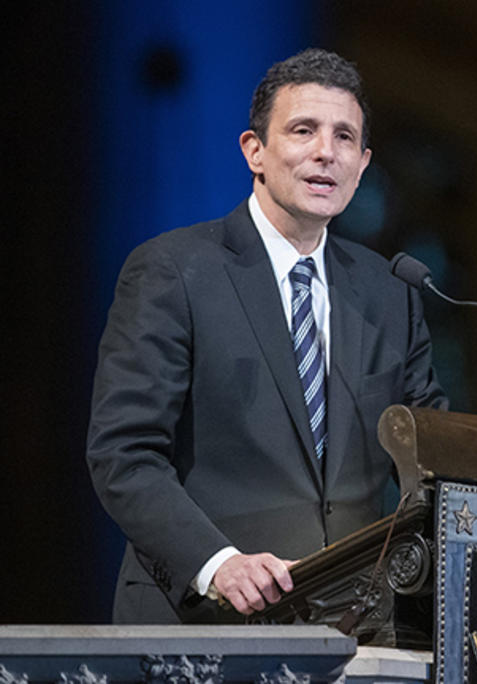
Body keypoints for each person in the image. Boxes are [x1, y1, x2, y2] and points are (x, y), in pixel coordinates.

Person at [86, 48, 447, 623]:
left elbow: (435, 458)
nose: (326, 152)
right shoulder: (174, 270)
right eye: (303, 130)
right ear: (255, 150)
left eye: (345, 137)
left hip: (351, 633)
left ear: (362, 163)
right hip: (200, 625)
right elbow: (124, 454)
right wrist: (218, 563)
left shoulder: (391, 292)